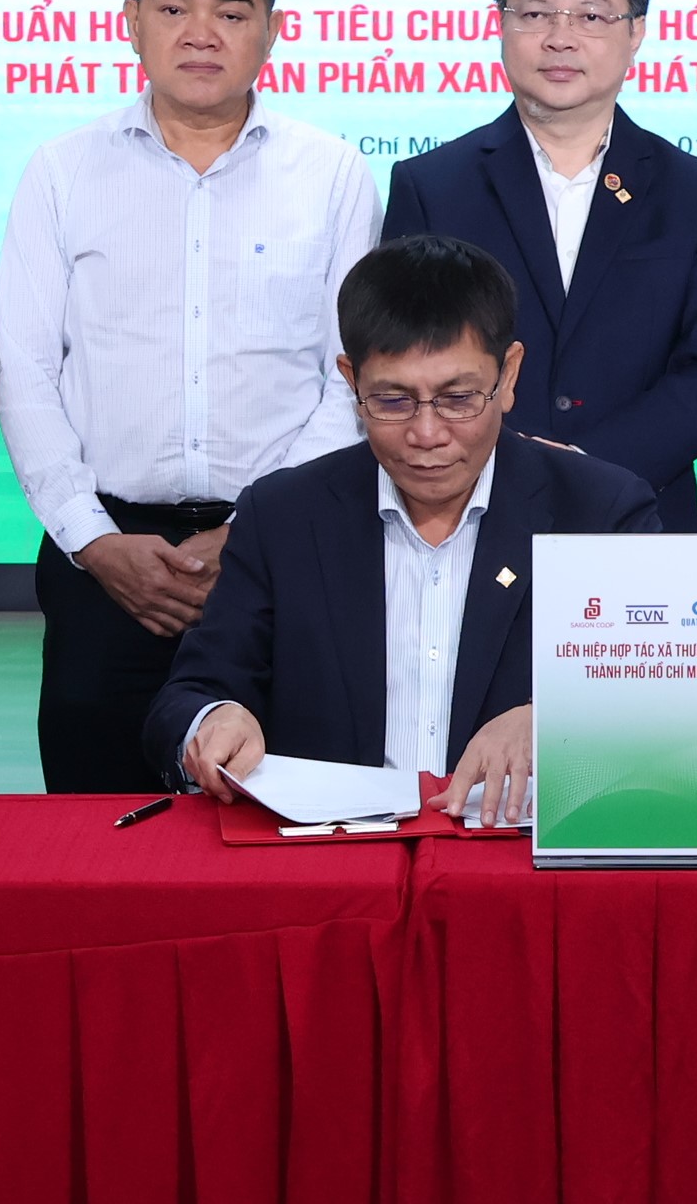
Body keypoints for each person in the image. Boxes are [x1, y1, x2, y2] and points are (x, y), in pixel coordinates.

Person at [0, 0, 382, 792]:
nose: (200, 34)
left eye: (231, 10)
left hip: (286, 554)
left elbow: (352, 380)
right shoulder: (61, 171)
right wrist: (95, 542)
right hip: (105, 561)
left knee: (282, 814)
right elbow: (26, 375)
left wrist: (255, 532)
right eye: (173, 7)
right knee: (99, 822)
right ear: (132, 20)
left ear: (273, 28)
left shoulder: (330, 174)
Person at [151, 234, 664, 820]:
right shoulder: (283, 516)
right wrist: (214, 718)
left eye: (458, 398)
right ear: (352, 381)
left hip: (509, 851)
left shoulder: (600, 513)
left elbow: (671, 701)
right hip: (337, 855)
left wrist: (556, 720)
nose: (426, 434)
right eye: (393, 401)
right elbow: (189, 695)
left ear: (509, 375)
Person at [382, 0, 697, 528]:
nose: (561, 38)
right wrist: (506, 467)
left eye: (591, 16)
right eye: (536, 14)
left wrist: (585, 467)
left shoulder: (695, 192)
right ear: (501, 25)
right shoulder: (432, 186)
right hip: (466, 513)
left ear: (636, 31)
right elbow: (402, 361)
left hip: (636, 511)